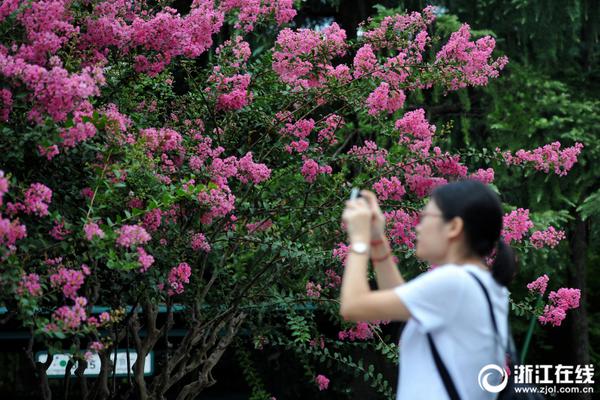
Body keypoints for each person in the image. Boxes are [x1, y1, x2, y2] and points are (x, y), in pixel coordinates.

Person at [339, 180, 516, 400]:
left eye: (426, 218)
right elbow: (399, 303)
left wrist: (358, 240)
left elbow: (352, 306)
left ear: (454, 227)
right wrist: (376, 239)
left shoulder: (454, 282)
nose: (418, 226)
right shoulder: (482, 284)